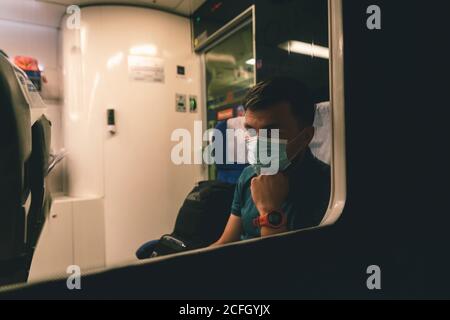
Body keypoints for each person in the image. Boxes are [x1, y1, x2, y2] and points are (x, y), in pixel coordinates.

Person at [212, 77, 330, 245]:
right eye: (251, 130)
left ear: (305, 137)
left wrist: (270, 211)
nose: (258, 142)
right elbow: (225, 242)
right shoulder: (248, 175)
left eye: (272, 132)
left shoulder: (329, 188)